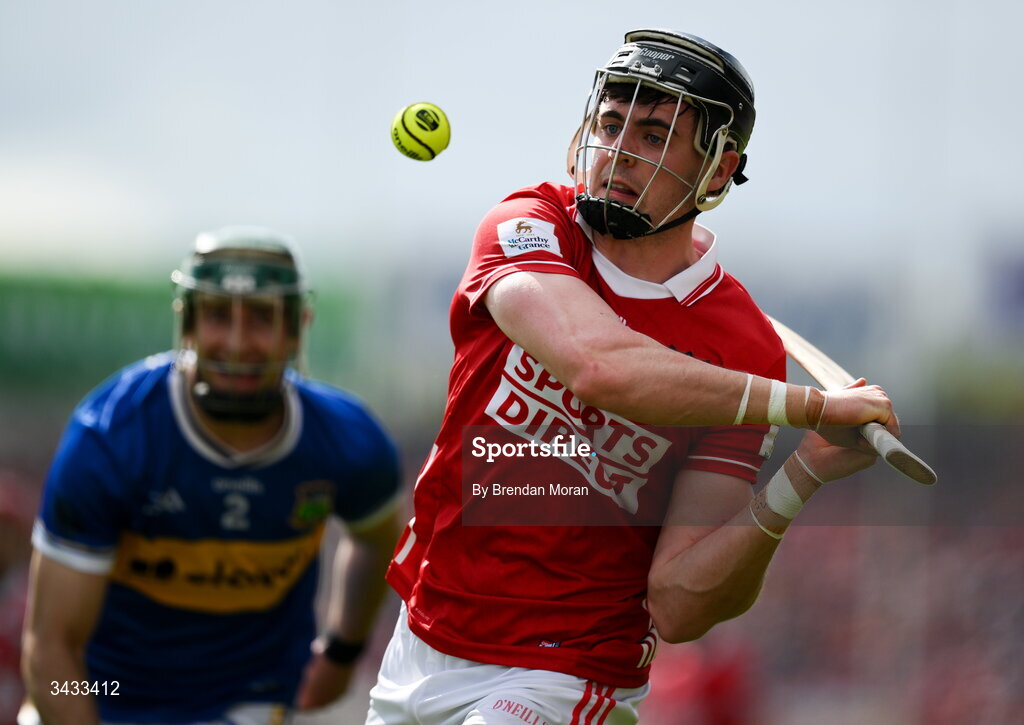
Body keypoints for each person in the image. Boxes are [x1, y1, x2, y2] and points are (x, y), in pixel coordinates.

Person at [367, 28, 900, 725]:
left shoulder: (742, 346)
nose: (618, 152)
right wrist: (806, 407)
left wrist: (804, 472)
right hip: (421, 637)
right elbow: (597, 365)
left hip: (565, 670)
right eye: (611, 125)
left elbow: (679, 602)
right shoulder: (531, 226)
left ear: (716, 171)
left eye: (652, 135)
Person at [20, 227, 402, 724]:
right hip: (100, 696)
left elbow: (375, 538)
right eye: (219, 315)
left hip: (244, 700)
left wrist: (342, 649)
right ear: (189, 325)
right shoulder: (110, 437)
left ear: (297, 327)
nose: (239, 343)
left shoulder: (350, 442)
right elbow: (50, 650)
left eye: (262, 318)